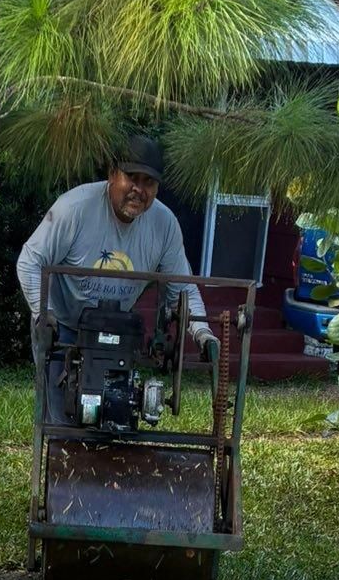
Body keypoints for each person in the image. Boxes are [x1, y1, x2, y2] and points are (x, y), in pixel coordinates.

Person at [16, 135, 217, 423]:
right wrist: (43, 313)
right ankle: (66, 461)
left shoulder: (164, 225)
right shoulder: (74, 208)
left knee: (115, 414)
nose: (138, 189)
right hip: (64, 329)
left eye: (148, 182)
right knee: (62, 419)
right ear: (112, 175)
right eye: (131, 178)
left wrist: (202, 333)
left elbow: (181, 288)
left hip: (118, 333)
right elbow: (30, 260)